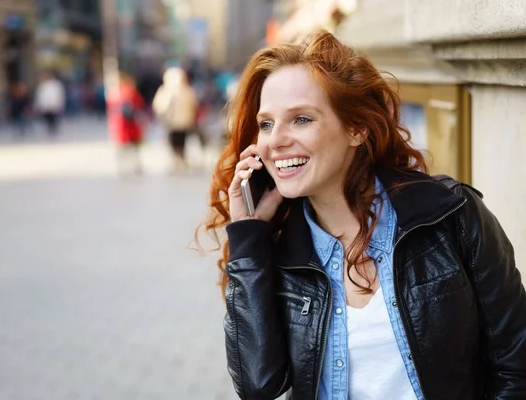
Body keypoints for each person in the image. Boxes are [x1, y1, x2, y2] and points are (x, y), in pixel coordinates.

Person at [196, 29, 526, 399]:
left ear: (356, 128)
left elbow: (515, 362)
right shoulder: (275, 249)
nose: (274, 141)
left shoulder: (451, 215)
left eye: (301, 119)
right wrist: (247, 238)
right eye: (267, 123)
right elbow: (259, 385)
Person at [152, 66, 199, 171]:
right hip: (175, 122)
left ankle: (178, 158)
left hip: (178, 122)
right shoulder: (186, 90)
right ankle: (178, 158)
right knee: (177, 140)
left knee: (179, 140)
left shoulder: (172, 91)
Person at [106, 73, 146, 176]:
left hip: (118, 125)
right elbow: (140, 104)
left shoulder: (113, 93)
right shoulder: (130, 92)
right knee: (133, 147)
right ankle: (135, 165)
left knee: (121, 147)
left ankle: (122, 166)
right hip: (131, 124)